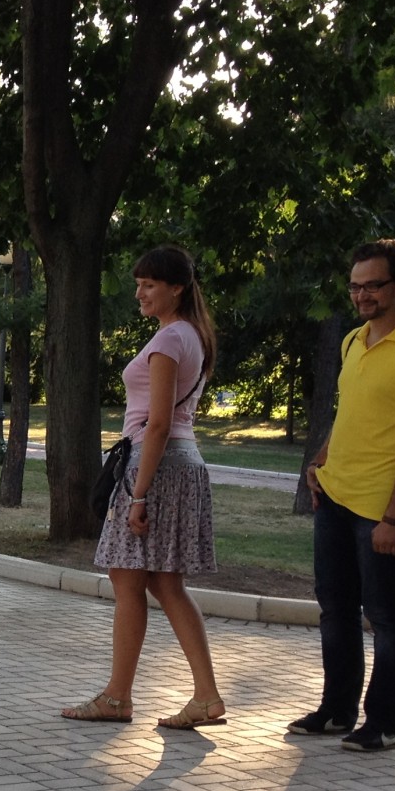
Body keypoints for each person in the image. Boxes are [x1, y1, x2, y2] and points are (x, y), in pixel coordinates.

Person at [62, 245, 225, 731]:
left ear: (177, 287)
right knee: (162, 582)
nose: (140, 293)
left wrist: (138, 494)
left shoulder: (171, 339)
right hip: (180, 462)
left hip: (157, 465)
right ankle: (205, 695)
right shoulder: (190, 335)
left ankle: (118, 698)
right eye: (139, 284)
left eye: (150, 284)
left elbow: (156, 424)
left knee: (129, 579)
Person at [292, 238, 395, 752]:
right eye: (355, 286)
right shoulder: (353, 341)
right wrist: (321, 459)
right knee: (334, 608)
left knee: (385, 616)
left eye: (373, 285)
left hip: (383, 510)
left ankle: (385, 723)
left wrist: (394, 518)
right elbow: (351, 413)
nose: (362, 295)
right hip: (336, 497)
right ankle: (337, 710)